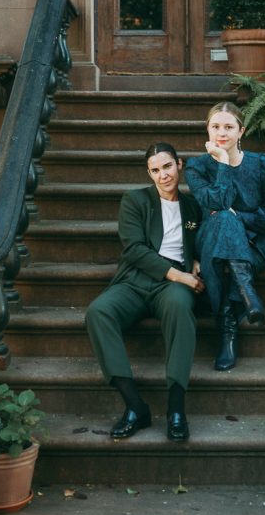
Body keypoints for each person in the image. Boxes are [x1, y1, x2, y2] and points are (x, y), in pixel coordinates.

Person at [85, 142, 203, 441]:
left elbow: (204, 241)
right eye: (155, 170)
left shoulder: (194, 205)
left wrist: (199, 263)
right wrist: (183, 276)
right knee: (99, 312)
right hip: (137, 279)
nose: (162, 175)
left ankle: (176, 409)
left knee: (179, 308)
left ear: (180, 165)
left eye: (167, 166)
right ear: (149, 174)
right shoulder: (135, 200)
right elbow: (135, 249)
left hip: (172, 288)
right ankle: (135, 406)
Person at [185, 101, 265, 372]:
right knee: (224, 218)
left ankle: (227, 330)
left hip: (255, 246)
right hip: (211, 242)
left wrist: (239, 218)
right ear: (207, 130)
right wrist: (225, 163)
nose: (222, 133)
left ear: (242, 131)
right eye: (215, 126)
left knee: (229, 219)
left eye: (229, 127)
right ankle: (247, 292)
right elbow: (218, 200)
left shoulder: (261, 164)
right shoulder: (196, 168)